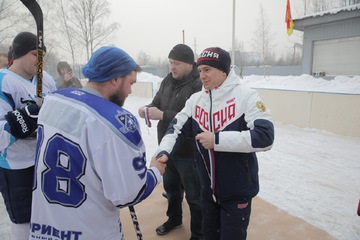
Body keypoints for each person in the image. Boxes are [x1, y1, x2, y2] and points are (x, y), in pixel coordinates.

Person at [30, 46, 166, 240]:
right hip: (91, 231)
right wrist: (154, 172)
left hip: (44, 229)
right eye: (130, 83)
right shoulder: (114, 120)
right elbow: (129, 194)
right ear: (115, 79)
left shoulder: (53, 100)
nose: (129, 90)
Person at [154, 47, 275, 240]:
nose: (202, 75)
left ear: (224, 71)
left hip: (237, 192)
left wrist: (217, 140)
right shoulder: (196, 100)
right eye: (200, 70)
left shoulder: (247, 96)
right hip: (207, 192)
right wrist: (164, 152)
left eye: (207, 70)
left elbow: (265, 137)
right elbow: (175, 128)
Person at [138, 44, 203, 240]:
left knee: (194, 196)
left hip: (188, 150)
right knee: (171, 188)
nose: (172, 67)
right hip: (167, 147)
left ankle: (199, 233)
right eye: (170, 63)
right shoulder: (168, 80)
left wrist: (163, 115)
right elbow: (157, 102)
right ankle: (174, 219)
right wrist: (147, 109)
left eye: (176, 63)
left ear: (190, 65)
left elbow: (196, 119)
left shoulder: (199, 85)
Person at [0, 32, 57, 240]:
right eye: (35, 54)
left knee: (47, 215)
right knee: (24, 221)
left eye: (43, 56)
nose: (40, 61)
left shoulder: (47, 80)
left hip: (44, 161)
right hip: (16, 166)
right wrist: (20, 121)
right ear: (19, 53)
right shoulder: (3, 82)